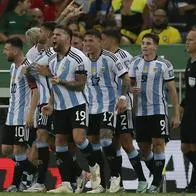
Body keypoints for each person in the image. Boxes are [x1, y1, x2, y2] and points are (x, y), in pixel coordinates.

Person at [41, 25, 99, 193]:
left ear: (67, 37)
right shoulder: (52, 60)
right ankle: (66, 183)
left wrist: (61, 81)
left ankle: (95, 168)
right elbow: (54, 85)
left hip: (77, 104)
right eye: (53, 35)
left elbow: (81, 85)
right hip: (59, 107)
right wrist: (50, 103)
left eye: (57, 35)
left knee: (79, 139)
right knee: (59, 143)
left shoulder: (79, 57)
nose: (53, 38)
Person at [129, 33, 180, 193]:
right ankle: (158, 176)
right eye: (143, 43)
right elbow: (129, 86)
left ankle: (155, 182)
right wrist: (131, 90)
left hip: (158, 111)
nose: (144, 46)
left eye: (148, 43)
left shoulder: (164, 64)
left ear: (155, 46)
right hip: (141, 112)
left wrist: (176, 114)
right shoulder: (135, 63)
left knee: (158, 144)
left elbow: (172, 91)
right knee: (144, 149)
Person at [83, 29, 130, 193]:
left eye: (91, 40)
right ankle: (100, 184)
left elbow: (126, 78)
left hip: (109, 106)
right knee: (94, 145)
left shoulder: (111, 58)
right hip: (90, 108)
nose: (87, 44)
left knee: (106, 141)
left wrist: (123, 98)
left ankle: (116, 178)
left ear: (99, 41)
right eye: (85, 41)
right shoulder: (83, 59)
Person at [101, 28, 148, 193]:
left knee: (126, 143)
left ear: (112, 40)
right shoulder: (102, 57)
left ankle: (142, 180)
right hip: (106, 107)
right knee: (111, 144)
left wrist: (124, 98)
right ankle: (118, 182)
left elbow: (129, 80)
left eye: (103, 38)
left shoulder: (125, 56)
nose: (101, 41)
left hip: (123, 106)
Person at [23, 21, 56, 192]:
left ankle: (78, 173)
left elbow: (30, 70)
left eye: (42, 31)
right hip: (43, 102)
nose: (39, 33)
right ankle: (40, 182)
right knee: (45, 139)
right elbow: (29, 70)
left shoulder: (56, 53)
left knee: (55, 141)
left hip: (57, 102)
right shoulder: (38, 52)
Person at [1, 37, 37, 192]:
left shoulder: (27, 67)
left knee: (19, 150)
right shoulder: (12, 67)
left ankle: (15, 184)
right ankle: (32, 169)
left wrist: (30, 114)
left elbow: (36, 91)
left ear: (15, 50)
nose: (4, 52)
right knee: (6, 150)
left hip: (23, 116)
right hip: (11, 115)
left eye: (6, 49)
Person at [180, 28, 196, 193]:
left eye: (190, 40)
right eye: (187, 39)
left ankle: (192, 186)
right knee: (185, 147)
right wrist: (182, 105)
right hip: (190, 108)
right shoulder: (189, 61)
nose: (187, 42)